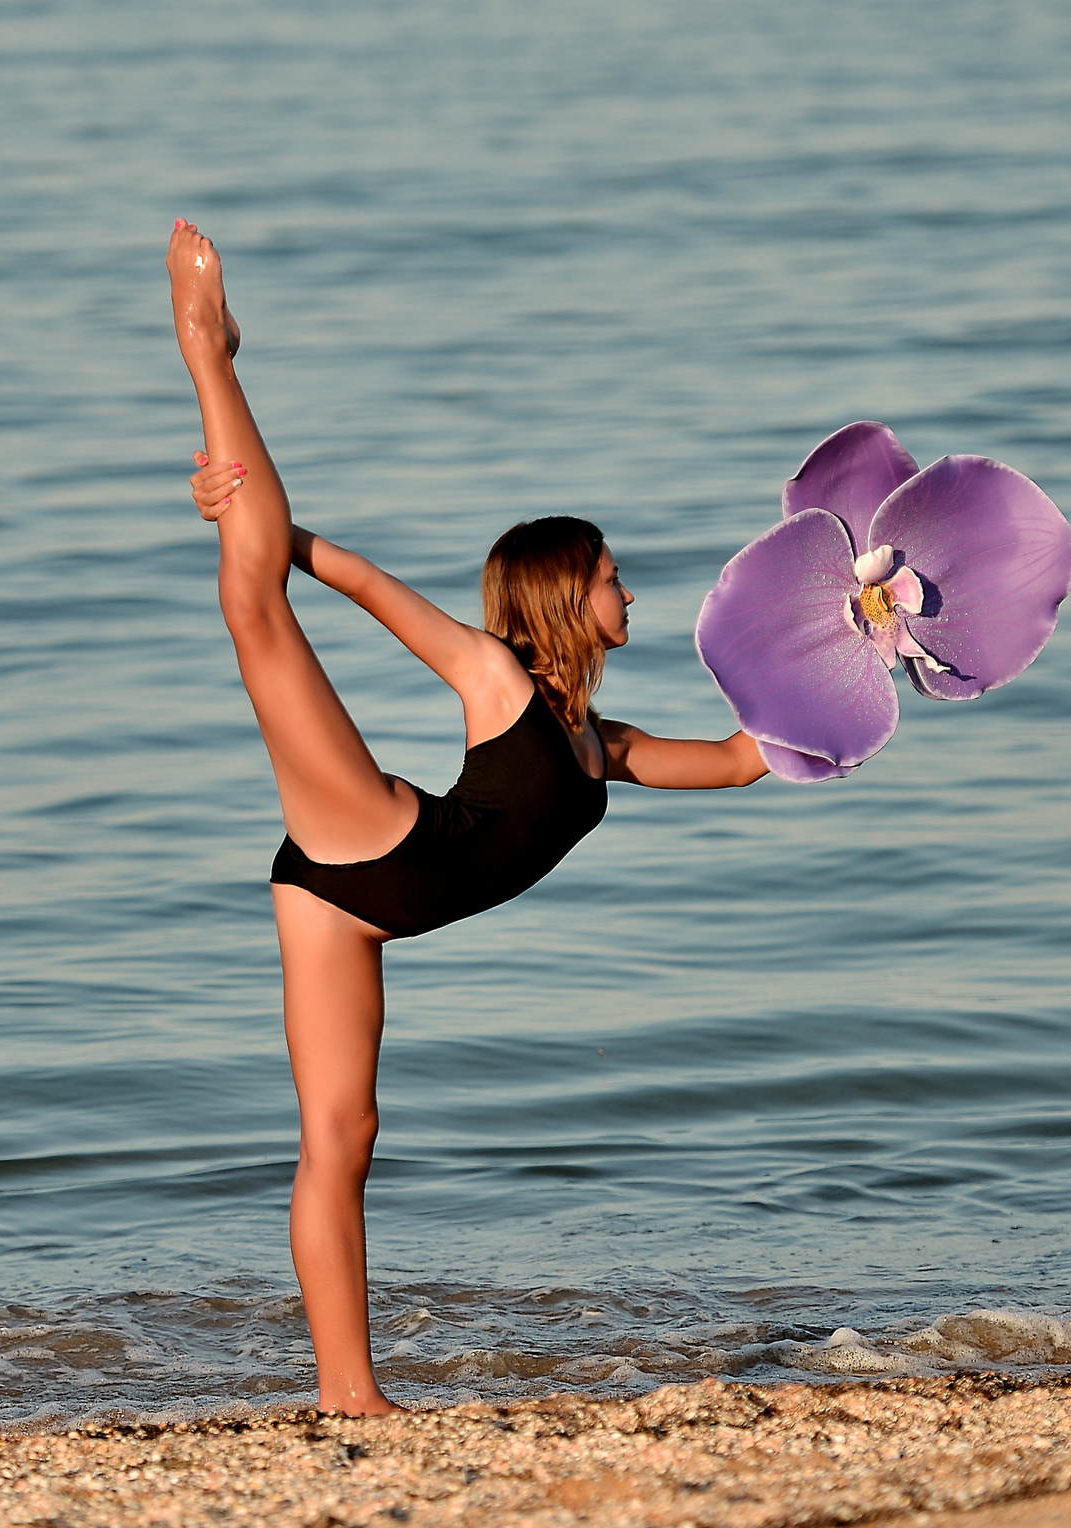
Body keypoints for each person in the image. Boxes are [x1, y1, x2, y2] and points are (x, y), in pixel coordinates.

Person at [167, 220, 768, 1413]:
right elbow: (364, 588)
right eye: (610, 574)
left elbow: (752, 759)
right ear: (563, 591)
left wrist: (868, 645)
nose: (629, 589)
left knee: (347, 1137)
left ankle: (348, 1398)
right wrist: (260, 525)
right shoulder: (499, 679)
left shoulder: (607, 747)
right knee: (257, 611)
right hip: (375, 845)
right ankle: (208, 353)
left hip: (350, 913)